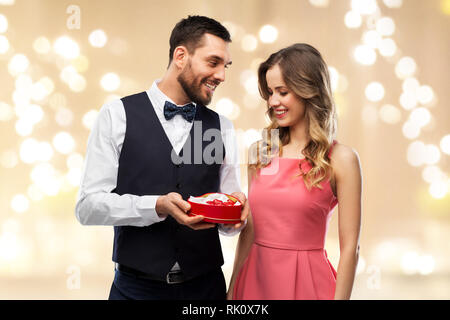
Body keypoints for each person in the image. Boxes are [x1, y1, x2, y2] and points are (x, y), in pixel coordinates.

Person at [75, 15, 249, 300]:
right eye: (213, 62)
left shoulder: (223, 127)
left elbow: (228, 219)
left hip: (206, 290)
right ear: (181, 56)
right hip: (134, 290)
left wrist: (234, 217)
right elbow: (87, 206)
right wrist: (156, 206)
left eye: (226, 66)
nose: (222, 76)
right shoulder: (116, 115)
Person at [227, 43, 362, 300]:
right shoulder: (260, 151)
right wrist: (232, 290)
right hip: (254, 284)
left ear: (308, 91)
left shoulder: (342, 159)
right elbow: (250, 231)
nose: (273, 101)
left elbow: (350, 249)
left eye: (282, 92)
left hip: (308, 286)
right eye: (269, 92)